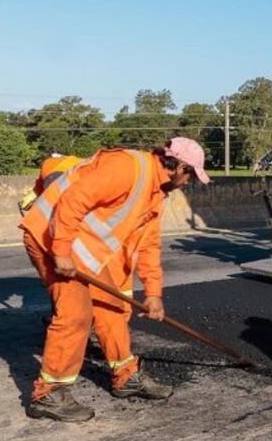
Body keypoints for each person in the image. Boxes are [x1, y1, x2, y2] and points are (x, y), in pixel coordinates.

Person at [19, 137, 210, 422]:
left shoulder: (156, 192)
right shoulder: (127, 166)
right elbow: (73, 200)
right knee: (75, 314)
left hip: (81, 246)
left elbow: (148, 245)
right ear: (179, 166)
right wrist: (60, 250)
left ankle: (126, 376)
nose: (189, 182)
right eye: (191, 176)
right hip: (49, 236)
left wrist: (154, 294)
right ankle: (49, 394)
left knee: (113, 306)